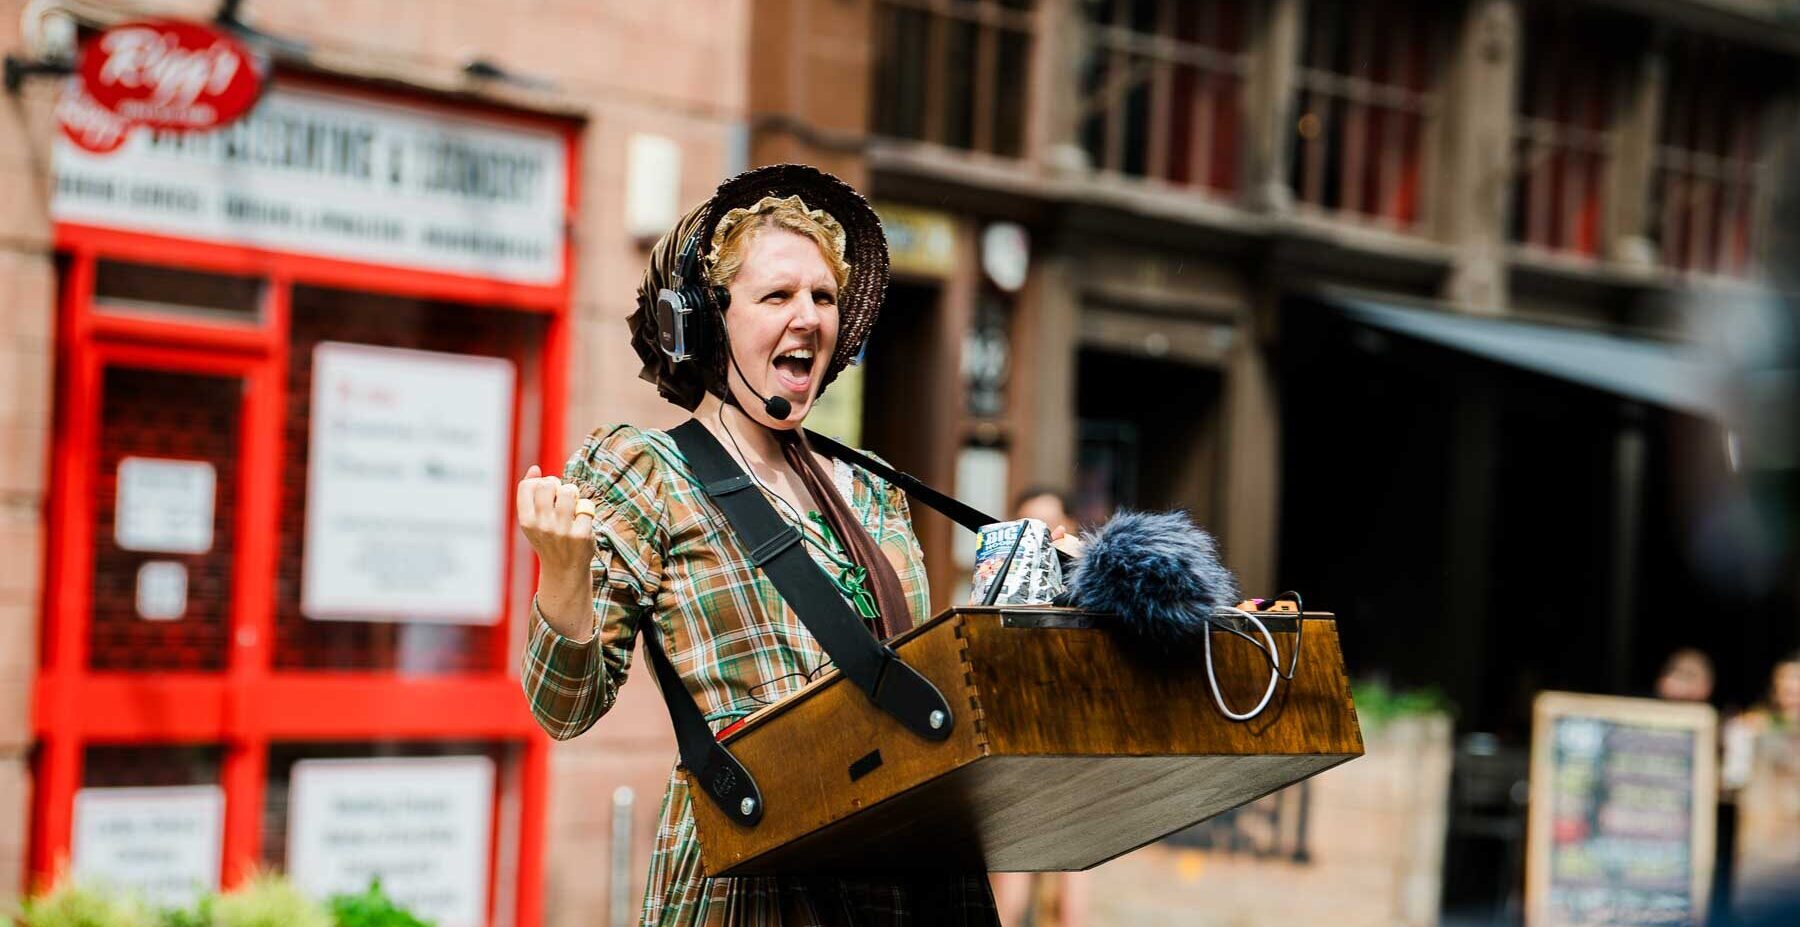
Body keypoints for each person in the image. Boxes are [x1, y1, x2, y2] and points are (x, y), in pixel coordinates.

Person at [515, 165, 1000, 926]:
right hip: (755, 882)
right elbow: (563, 708)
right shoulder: (648, 473)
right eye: (777, 295)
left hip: (902, 876)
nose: (806, 315)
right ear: (711, 323)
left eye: (823, 296)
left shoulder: (872, 490)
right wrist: (564, 575)